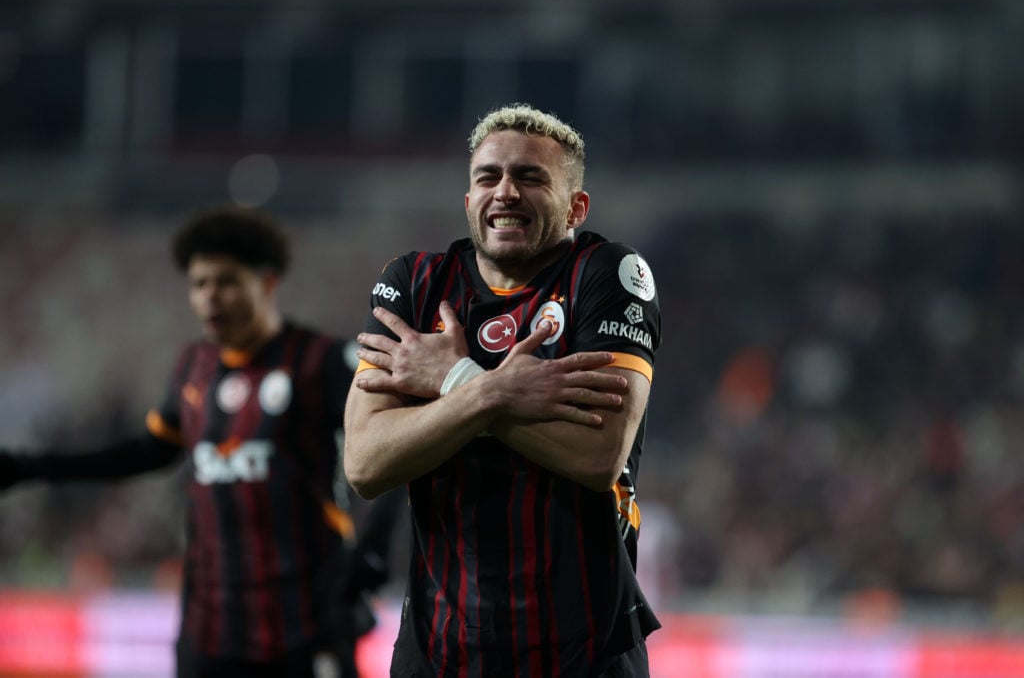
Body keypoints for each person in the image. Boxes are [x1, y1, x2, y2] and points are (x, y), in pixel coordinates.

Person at [0, 205, 402, 678]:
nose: (211, 298)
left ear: (267, 281)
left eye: (226, 282)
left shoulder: (319, 362)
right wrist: (30, 467)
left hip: (306, 624)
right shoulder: (194, 368)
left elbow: (397, 448)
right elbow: (148, 451)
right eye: (199, 285)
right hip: (211, 631)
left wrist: (372, 552)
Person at [344, 104, 662, 677]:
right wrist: (497, 393)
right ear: (469, 200)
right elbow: (366, 462)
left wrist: (454, 383)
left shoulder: (607, 276)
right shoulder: (414, 285)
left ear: (576, 206)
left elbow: (597, 455)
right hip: (438, 648)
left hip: (583, 649)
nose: (506, 191)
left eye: (531, 177)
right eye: (488, 177)